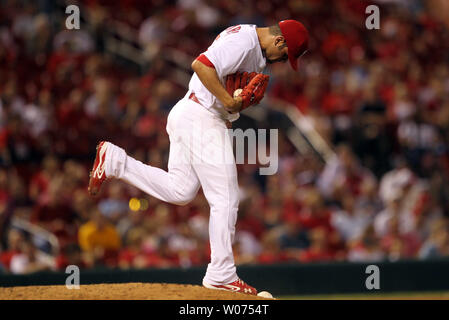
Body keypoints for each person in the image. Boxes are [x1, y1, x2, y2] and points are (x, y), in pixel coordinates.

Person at [88, 20, 308, 295]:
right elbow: (200, 65)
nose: (283, 61)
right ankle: (221, 273)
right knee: (226, 198)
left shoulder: (254, 50)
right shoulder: (244, 42)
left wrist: (229, 111)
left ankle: (115, 161)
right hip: (200, 116)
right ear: (279, 42)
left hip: (194, 114)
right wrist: (229, 103)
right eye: (286, 55)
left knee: (180, 190)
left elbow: (222, 86)